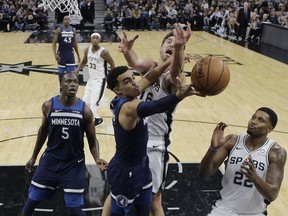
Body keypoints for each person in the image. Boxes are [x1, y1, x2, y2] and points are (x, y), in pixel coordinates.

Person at [105, 60, 201, 216]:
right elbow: (155, 107)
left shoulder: (131, 93)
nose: (135, 83)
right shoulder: (127, 108)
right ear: (118, 90)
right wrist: (178, 96)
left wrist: (170, 61)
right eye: (127, 81)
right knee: (120, 213)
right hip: (124, 173)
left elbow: (150, 78)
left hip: (142, 166)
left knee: (145, 209)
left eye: (133, 78)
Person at [115, 23, 192, 216]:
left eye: (176, 43)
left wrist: (179, 50)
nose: (172, 44)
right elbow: (136, 63)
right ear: (160, 47)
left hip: (156, 145)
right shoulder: (151, 66)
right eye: (169, 41)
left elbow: (173, 72)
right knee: (125, 195)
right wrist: (126, 51)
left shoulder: (176, 77)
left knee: (154, 200)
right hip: (136, 141)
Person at [21, 72, 108, 216]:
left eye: (75, 82)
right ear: (61, 83)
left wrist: (97, 158)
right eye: (68, 81)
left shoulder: (85, 110)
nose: (73, 84)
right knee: (31, 202)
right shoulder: (49, 105)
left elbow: (92, 139)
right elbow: (43, 131)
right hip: (50, 162)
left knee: (74, 209)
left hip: (73, 165)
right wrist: (33, 157)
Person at [199, 107, 287, 216]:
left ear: (269, 129)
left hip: (255, 213)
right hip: (224, 209)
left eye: (261, 120)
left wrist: (255, 178)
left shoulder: (276, 152)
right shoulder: (232, 141)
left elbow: (272, 194)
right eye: (253, 117)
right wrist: (213, 149)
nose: (254, 121)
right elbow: (204, 173)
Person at [75, 32, 115, 126]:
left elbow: (112, 64)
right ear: (91, 39)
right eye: (94, 38)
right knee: (85, 102)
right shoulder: (87, 50)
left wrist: (111, 79)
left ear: (99, 40)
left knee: (94, 103)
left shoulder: (104, 52)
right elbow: (84, 61)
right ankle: (95, 119)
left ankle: (96, 119)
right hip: (91, 80)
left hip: (100, 80)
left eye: (97, 38)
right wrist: (76, 70)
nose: (95, 40)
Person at [52, 15, 81, 91]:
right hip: (61, 54)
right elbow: (54, 43)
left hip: (70, 54)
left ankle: (69, 90)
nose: (66, 20)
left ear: (70, 21)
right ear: (63, 21)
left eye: (68, 19)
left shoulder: (73, 30)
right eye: (65, 19)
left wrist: (78, 55)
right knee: (61, 75)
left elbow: (75, 43)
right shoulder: (59, 29)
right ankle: (61, 89)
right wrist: (55, 54)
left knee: (71, 75)